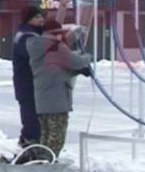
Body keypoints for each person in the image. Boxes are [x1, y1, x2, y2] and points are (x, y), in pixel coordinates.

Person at [26, 19, 94, 161]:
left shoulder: (38, 48)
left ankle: (40, 162)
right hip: (57, 102)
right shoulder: (56, 47)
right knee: (56, 138)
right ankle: (47, 165)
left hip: (42, 102)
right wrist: (88, 57)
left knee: (46, 136)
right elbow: (76, 61)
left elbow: (54, 71)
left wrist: (76, 72)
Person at [11, 2, 47, 148]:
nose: (41, 19)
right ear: (28, 19)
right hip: (27, 86)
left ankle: (32, 145)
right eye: (37, 17)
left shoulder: (34, 34)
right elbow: (36, 53)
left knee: (36, 120)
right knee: (32, 120)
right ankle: (29, 146)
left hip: (35, 86)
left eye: (41, 16)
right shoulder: (25, 36)